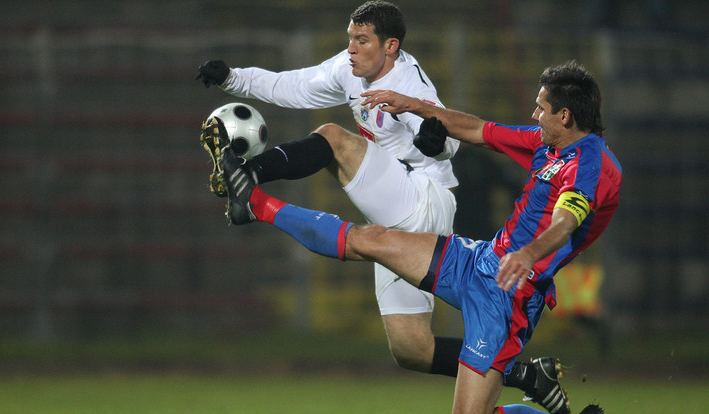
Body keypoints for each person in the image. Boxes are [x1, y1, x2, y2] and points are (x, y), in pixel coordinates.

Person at [195, 2, 568, 411]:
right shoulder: (348, 68)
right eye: (350, 39)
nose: (351, 48)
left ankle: (247, 178)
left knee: (334, 138)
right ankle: (528, 375)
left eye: (361, 41)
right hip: (398, 201)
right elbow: (292, 86)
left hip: (422, 196)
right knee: (412, 348)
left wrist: (433, 140)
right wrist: (234, 78)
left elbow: (446, 138)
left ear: (390, 46)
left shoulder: (408, 80)